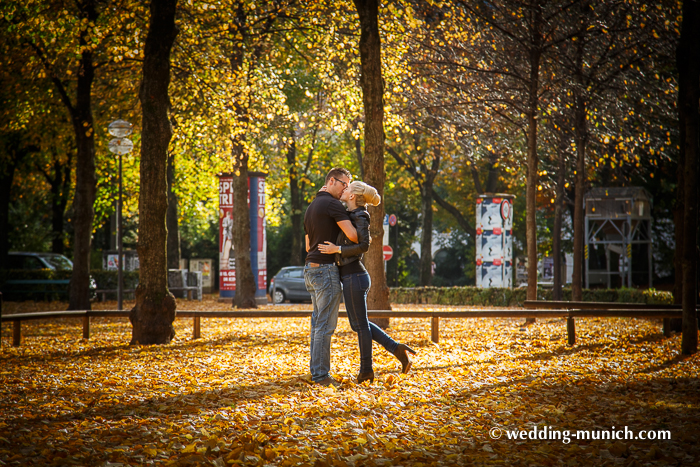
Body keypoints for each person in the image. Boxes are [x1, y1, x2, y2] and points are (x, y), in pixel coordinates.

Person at [318, 181, 416, 384]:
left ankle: (366, 370)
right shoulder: (351, 214)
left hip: (355, 277)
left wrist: (338, 250)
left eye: (347, 188)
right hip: (352, 277)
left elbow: (363, 246)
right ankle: (396, 349)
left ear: (353, 196)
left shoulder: (361, 215)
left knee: (361, 326)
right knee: (359, 324)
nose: (344, 190)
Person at [304, 168, 358, 387]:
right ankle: (321, 376)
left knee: (317, 324)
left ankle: (316, 372)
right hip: (325, 271)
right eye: (344, 184)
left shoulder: (310, 207)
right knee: (325, 326)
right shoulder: (333, 205)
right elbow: (353, 235)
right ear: (332, 181)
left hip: (310, 269)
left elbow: (308, 245)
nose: (347, 188)